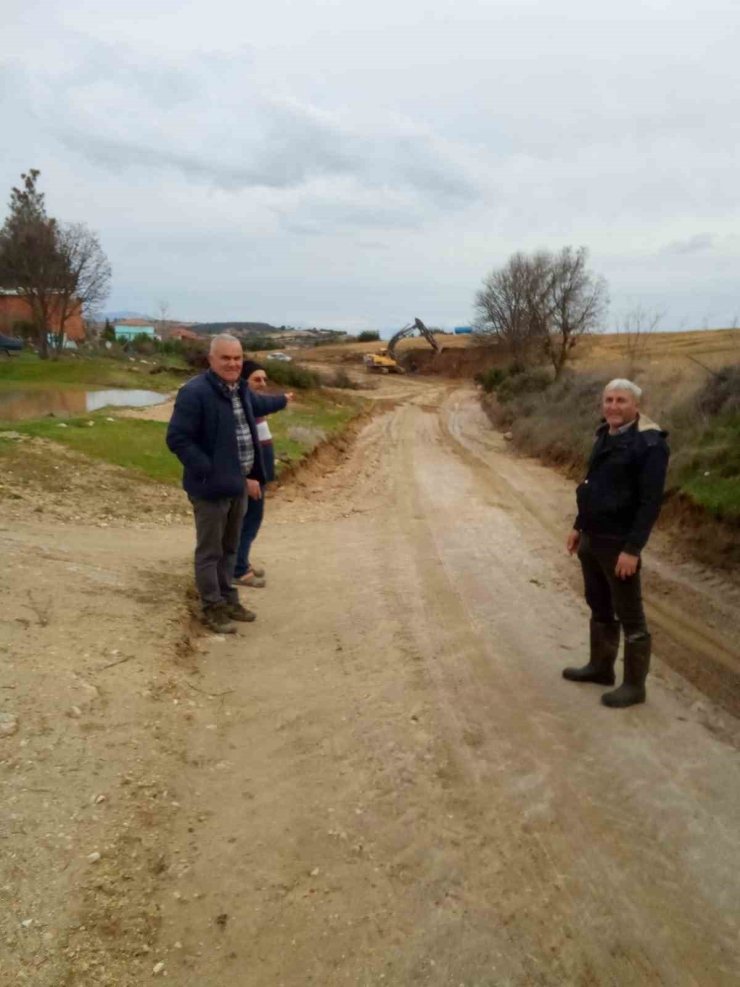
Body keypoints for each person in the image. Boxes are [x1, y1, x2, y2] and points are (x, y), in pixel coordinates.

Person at [166, 334, 290, 633]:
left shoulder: (240, 391)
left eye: (237, 358)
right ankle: (212, 607)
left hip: (238, 485)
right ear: (211, 360)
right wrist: (209, 470)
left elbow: (261, 405)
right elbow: (177, 439)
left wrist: (283, 400)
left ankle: (229, 598)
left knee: (230, 549)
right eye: (226, 358)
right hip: (210, 488)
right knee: (210, 552)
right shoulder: (195, 393)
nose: (233, 363)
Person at [563, 379, 669, 708]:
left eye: (621, 400)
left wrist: (632, 550)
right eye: (608, 400)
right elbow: (592, 483)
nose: (612, 406)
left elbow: (649, 503)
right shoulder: (604, 433)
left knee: (631, 615)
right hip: (593, 537)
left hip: (619, 543)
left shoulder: (650, 444)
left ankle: (634, 686)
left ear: (636, 405)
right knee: (599, 604)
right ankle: (600, 668)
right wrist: (579, 526)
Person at [233, 360, 290, 587]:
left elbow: (268, 403)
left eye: (265, 379)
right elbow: (241, 448)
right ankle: (237, 569)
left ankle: (241, 562)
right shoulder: (244, 406)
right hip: (250, 479)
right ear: (243, 382)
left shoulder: (251, 406)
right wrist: (251, 478)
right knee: (248, 521)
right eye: (257, 379)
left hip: (257, 477)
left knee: (249, 520)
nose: (263, 384)